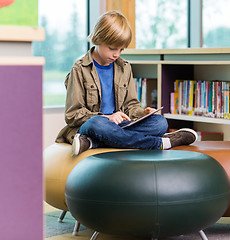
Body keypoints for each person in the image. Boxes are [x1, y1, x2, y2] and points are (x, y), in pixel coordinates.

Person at [55, 10, 197, 156]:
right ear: (98, 38)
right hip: (93, 126)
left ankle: (92, 142)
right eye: (112, 48)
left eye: (121, 49)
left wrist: (142, 113)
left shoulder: (124, 67)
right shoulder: (79, 69)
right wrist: (106, 117)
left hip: (119, 127)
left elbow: (131, 105)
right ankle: (159, 143)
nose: (117, 54)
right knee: (97, 125)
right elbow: (72, 115)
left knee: (159, 122)